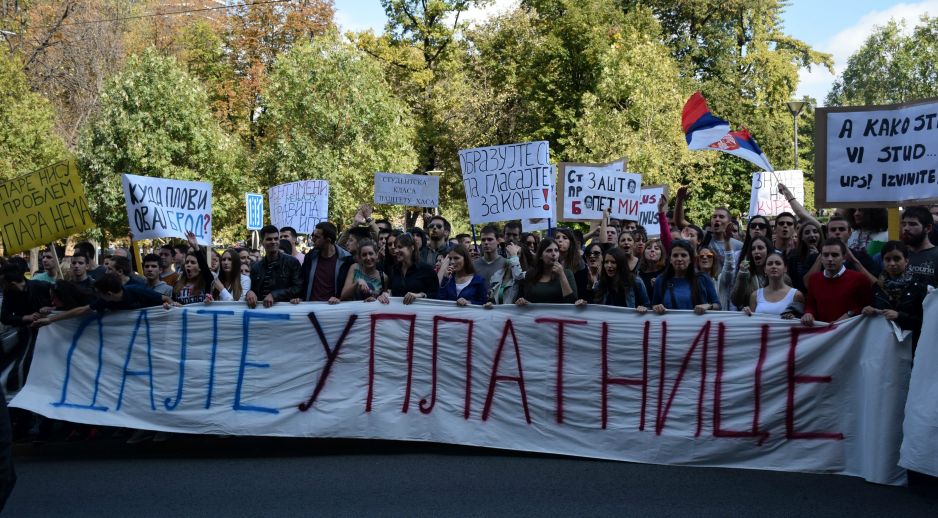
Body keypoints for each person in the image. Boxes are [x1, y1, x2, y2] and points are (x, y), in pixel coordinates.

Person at [33, 273, 169, 326]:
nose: (97, 296)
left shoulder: (138, 290)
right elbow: (82, 310)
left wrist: (172, 306)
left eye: (99, 293)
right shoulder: (105, 301)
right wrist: (50, 320)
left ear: (108, 293)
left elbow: (166, 299)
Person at [862, 241, 928, 345]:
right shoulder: (877, 287)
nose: (892, 263)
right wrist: (869, 310)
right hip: (883, 345)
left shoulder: (919, 286)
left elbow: (925, 321)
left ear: (906, 261)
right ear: (882, 261)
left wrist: (900, 316)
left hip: (912, 345)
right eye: (887, 259)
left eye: (897, 259)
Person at [801, 238, 873, 326]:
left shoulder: (860, 279)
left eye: (835, 255)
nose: (830, 259)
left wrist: (850, 313)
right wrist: (808, 313)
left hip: (850, 332)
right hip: (822, 334)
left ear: (844, 258)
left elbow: (868, 307)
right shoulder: (814, 279)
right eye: (826, 255)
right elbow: (810, 304)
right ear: (821, 258)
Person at [651, 240, 720, 314]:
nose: (679, 259)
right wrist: (657, 307)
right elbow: (654, 305)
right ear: (670, 259)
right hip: (670, 324)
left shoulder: (702, 278)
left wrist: (708, 306)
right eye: (675, 255)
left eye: (683, 255)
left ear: (690, 259)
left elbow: (718, 305)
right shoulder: (661, 280)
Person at [247, 225, 303, 308]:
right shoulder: (256, 267)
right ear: (262, 242)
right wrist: (249, 292)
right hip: (261, 313)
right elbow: (251, 288)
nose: (273, 241)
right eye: (269, 239)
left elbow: (298, 288)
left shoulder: (292, 262)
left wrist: (274, 295)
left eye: (276, 239)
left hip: (284, 312)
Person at [298, 221, 351, 302]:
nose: (312, 239)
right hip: (310, 308)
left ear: (328, 240)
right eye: (313, 235)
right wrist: (298, 297)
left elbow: (348, 288)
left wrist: (339, 298)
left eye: (317, 237)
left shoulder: (346, 259)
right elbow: (302, 280)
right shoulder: (310, 257)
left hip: (332, 309)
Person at [379, 233, 439, 304]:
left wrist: (419, 295)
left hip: (419, 313)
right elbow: (392, 292)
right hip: (399, 312)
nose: (396, 251)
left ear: (412, 247)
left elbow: (436, 295)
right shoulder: (394, 269)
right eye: (395, 247)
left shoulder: (427, 270)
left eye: (400, 247)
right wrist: (385, 295)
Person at [515, 239, 577, 305]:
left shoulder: (567, 273)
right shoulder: (530, 274)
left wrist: (562, 275)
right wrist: (522, 301)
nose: (554, 254)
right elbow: (524, 298)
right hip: (536, 315)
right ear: (541, 256)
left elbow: (572, 302)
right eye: (549, 251)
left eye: (556, 250)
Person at [742, 252, 804, 317]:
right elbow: (752, 321)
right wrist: (746, 314)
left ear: (785, 268)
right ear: (765, 269)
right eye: (770, 264)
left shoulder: (796, 295)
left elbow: (801, 322)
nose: (774, 266)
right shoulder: (755, 295)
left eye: (778, 263)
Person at [731, 236, 774, 310]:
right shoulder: (746, 274)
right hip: (751, 318)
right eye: (753, 249)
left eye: (760, 248)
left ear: (768, 251)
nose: (756, 251)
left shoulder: (777, 273)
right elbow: (736, 301)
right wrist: (742, 275)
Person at [900, 206, 938, 287]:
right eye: (904, 224)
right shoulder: (898, 254)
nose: (906, 228)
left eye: (912, 224)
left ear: (928, 228)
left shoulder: (936, 255)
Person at [485, 241, 528, 307]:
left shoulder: (526, 274)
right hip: (499, 315)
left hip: (515, 315)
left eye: (517, 253)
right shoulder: (498, 274)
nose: (511, 255)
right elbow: (491, 297)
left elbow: (519, 276)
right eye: (509, 252)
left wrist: (514, 256)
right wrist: (490, 303)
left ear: (522, 257)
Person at [786, 220, 822, 294]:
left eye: (815, 231)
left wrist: (817, 257)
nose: (812, 235)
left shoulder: (827, 254)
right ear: (801, 237)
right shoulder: (794, 256)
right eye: (807, 233)